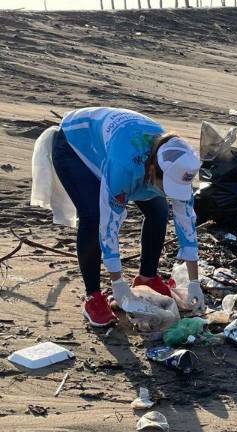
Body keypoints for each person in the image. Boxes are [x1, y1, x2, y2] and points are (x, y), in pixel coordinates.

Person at [50, 107, 204, 327]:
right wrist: (118, 284)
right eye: (167, 187)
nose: (171, 193)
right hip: (76, 145)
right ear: (152, 170)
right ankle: (93, 296)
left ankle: (147, 277)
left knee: (159, 210)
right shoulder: (124, 168)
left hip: (121, 148)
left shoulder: (178, 167)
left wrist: (194, 281)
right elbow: (108, 226)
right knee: (93, 217)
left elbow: (187, 223)